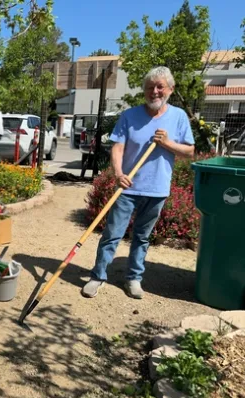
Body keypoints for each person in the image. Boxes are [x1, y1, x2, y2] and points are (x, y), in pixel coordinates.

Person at [81, 66, 195, 300]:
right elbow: (117, 147)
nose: (155, 91)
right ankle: (98, 276)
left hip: (157, 189)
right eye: (150, 87)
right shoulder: (130, 116)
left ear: (170, 90)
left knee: (142, 238)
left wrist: (167, 143)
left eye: (160, 86)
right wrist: (119, 173)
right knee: (112, 234)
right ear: (144, 90)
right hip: (127, 187)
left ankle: (133, 278)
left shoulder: (179, 117)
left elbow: (189, 151)